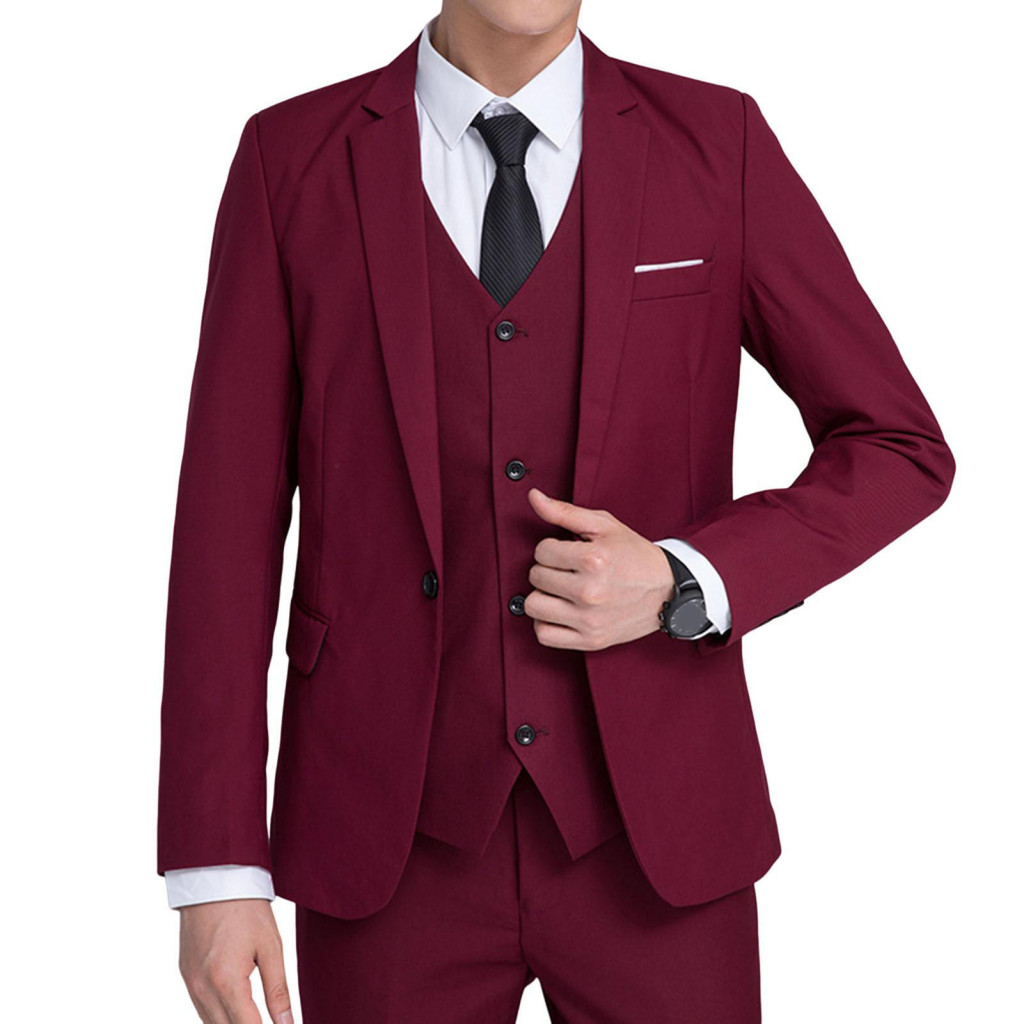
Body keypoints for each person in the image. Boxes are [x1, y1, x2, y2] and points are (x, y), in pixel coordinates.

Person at [157, 2, 956, 1021]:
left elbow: (894, 444)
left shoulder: (717, 144)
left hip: (659, 835)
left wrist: (684, 578)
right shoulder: (292, 159)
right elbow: (223, 532)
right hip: (384, 838)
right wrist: (216, 866)